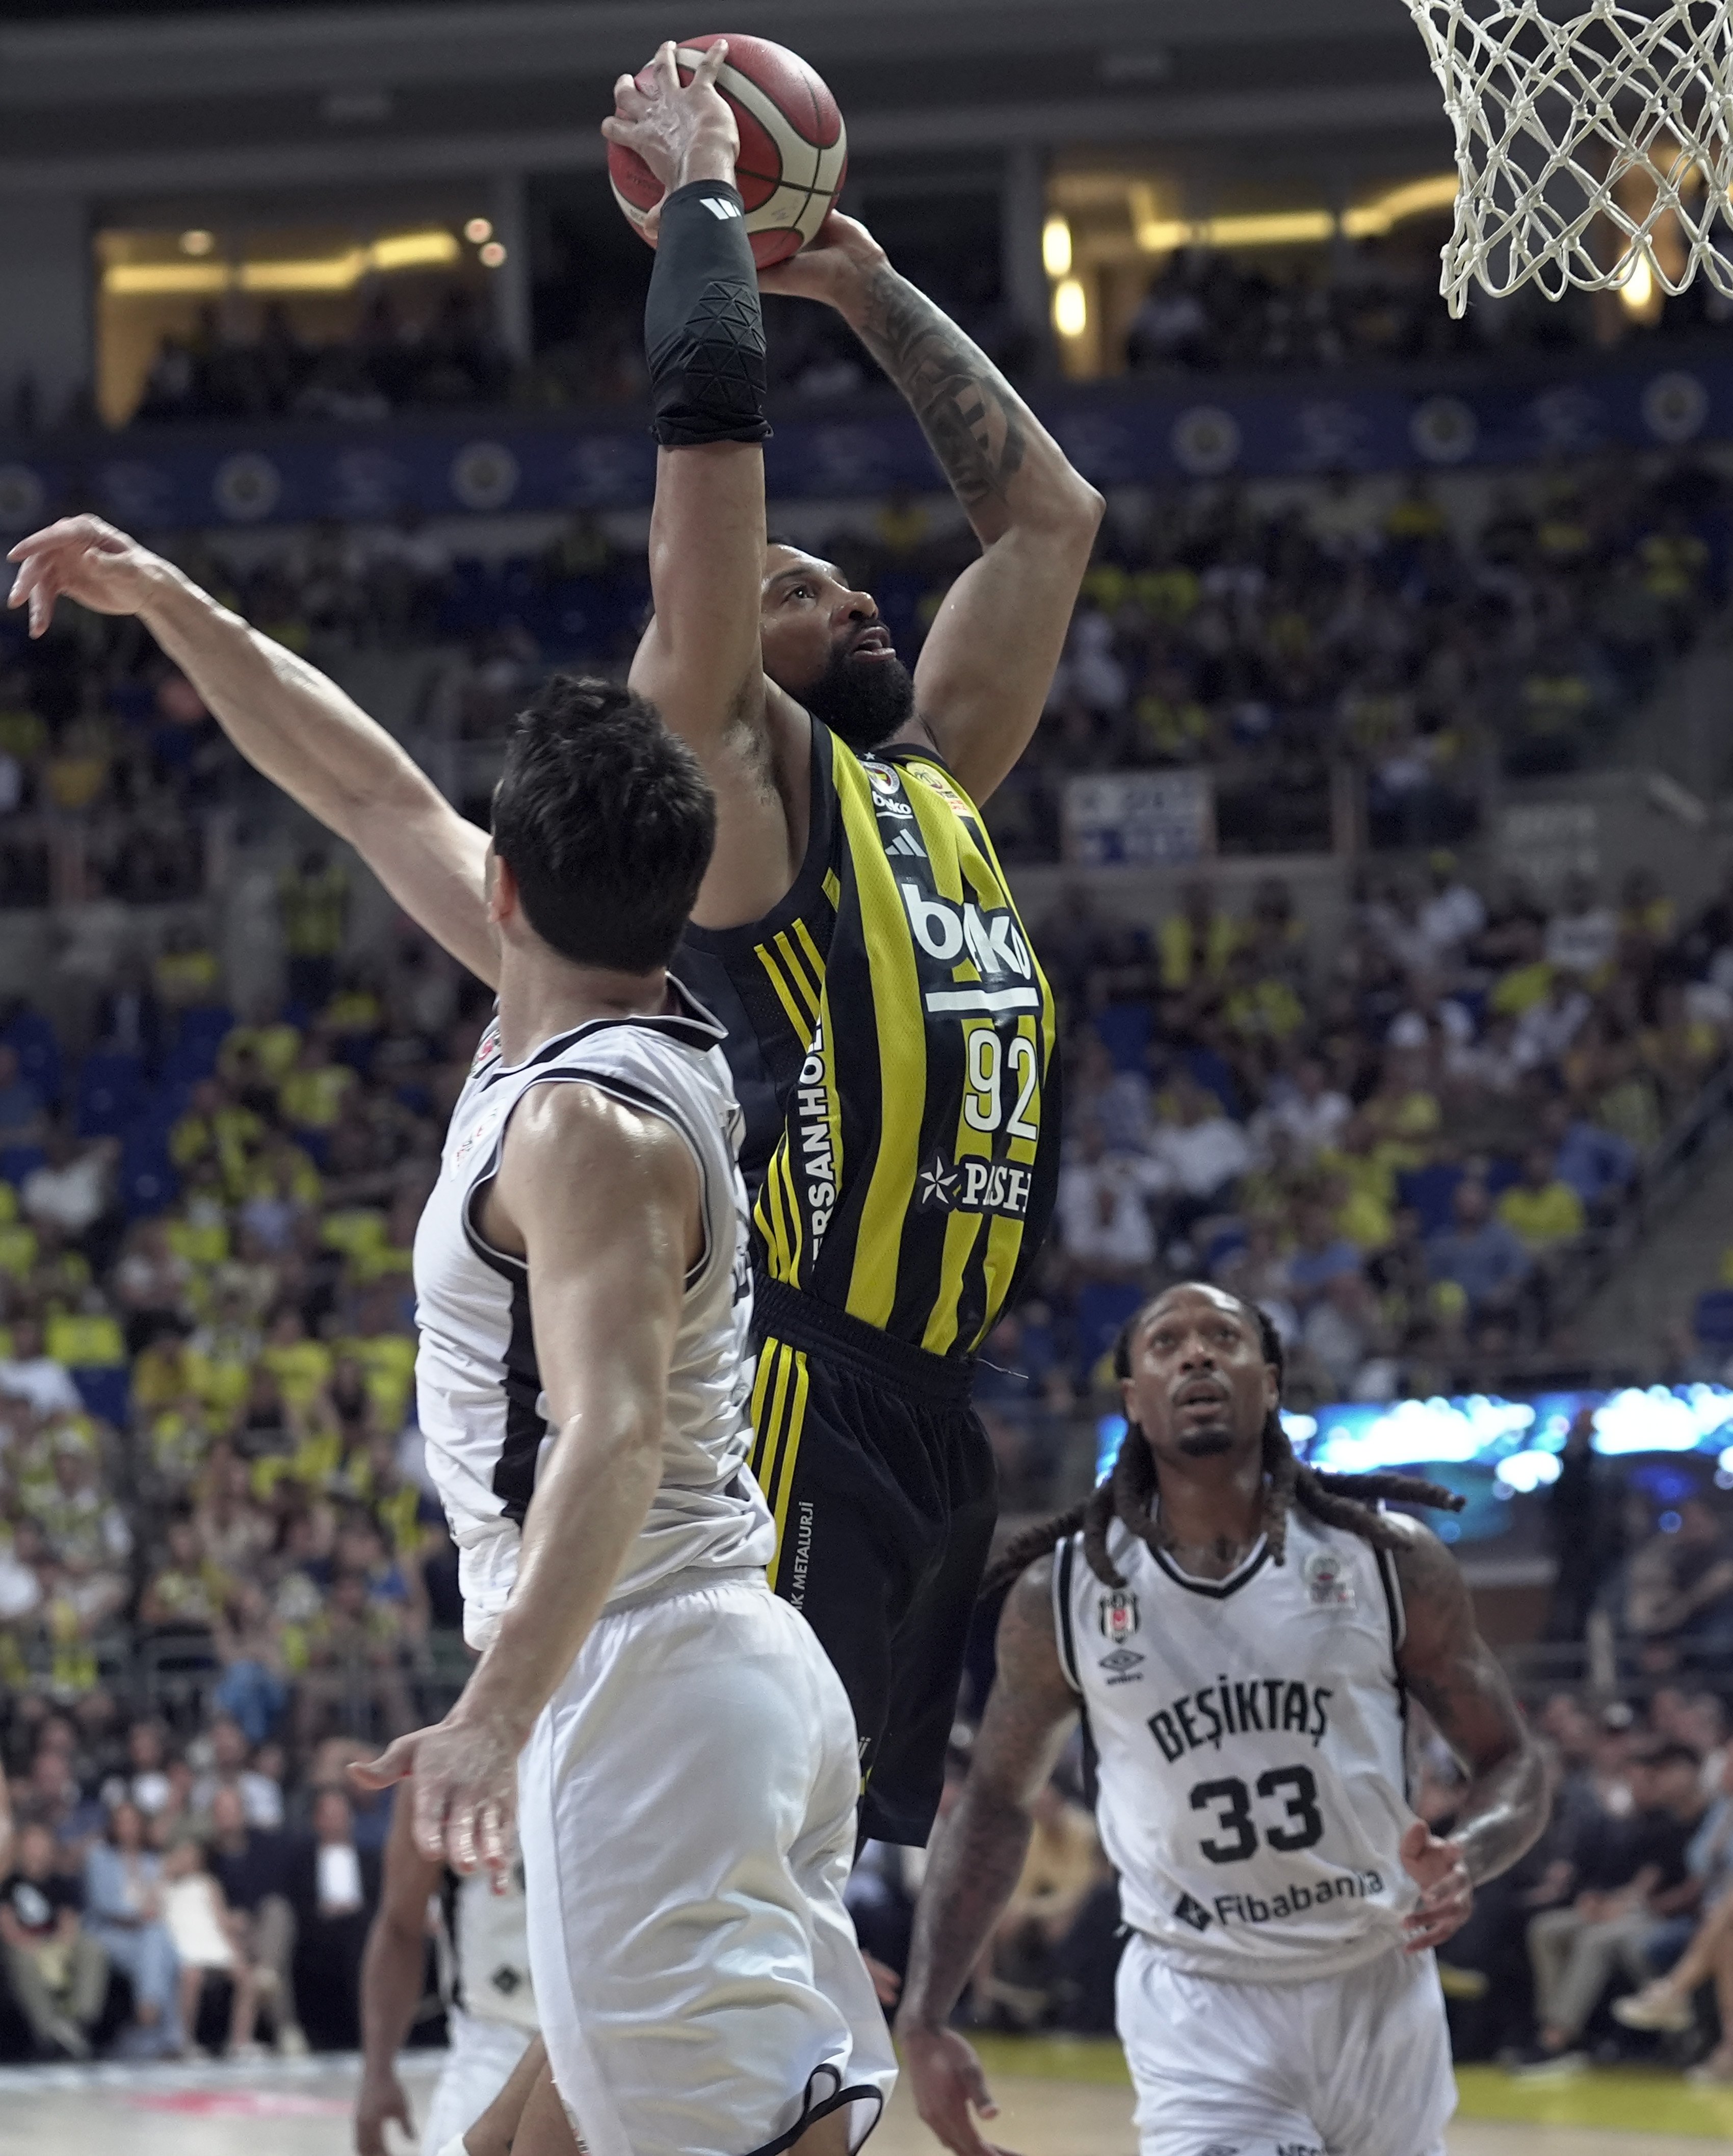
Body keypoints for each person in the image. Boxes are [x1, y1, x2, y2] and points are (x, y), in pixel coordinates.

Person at [7, 493, 889, 2147]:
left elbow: (614, 1428)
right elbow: (358, 783)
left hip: (647, 1669)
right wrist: (173, 601)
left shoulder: (585, 1123)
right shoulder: (580, 1016)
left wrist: (493, 1712)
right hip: (680, 1669)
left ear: (503, 881)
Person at [610, 41, 1101, 1850]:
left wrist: (870, 285)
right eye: (802, 586)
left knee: (816, 1877)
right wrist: (706, 203)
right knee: (738, 1869)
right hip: (798, 1384)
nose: (856, 593)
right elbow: (708, 460)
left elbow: (1050, 519)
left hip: (929, 1407)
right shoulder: (743, 781)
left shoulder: (934, 779)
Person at [895, 1282, 1547, 2156]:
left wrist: (1471, 1854)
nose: (1197, 1353)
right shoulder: (1065, 1593)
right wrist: (927, 2012)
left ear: (1270, 1381)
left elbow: (1512, 1759)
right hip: (1200, 1997)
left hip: (1379, 1979)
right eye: (1166, 1342)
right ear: (1134, 1398)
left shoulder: (1385, 1560)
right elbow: (995, 1803)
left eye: (1223, 1337)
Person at [356, 1766, 538, 2156]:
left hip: (612, 2039)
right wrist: (378, 2072)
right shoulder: (445, 1766)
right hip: (496, 2043)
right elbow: (400, 1926)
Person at [84, 1798, 184, 2057]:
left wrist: (147, 1915)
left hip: (144, 1935)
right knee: (160, 1948)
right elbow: (103, 1904)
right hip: (109, 1932)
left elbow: (160, 1900)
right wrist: (140, 1917)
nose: (127, 1828)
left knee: (161, 1947)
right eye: (122, 1822)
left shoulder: (153, 1861)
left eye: (132, 1822)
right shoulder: (99, 1857)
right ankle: (168, 2033)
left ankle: (149, 2019)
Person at [0, 1817, 108, 2059]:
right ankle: (51, 2030)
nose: (37, 1850)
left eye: (42, 1843)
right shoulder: (9, 1884)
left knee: (92, 1949)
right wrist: (35, 1947)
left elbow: (69, 1923)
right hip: (24, 1946)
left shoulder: (61, 1882)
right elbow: (8, 1928)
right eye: (32, 1843)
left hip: (56, 1944)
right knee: (24, 1960)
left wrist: (56, 1948)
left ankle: (81, 2019)